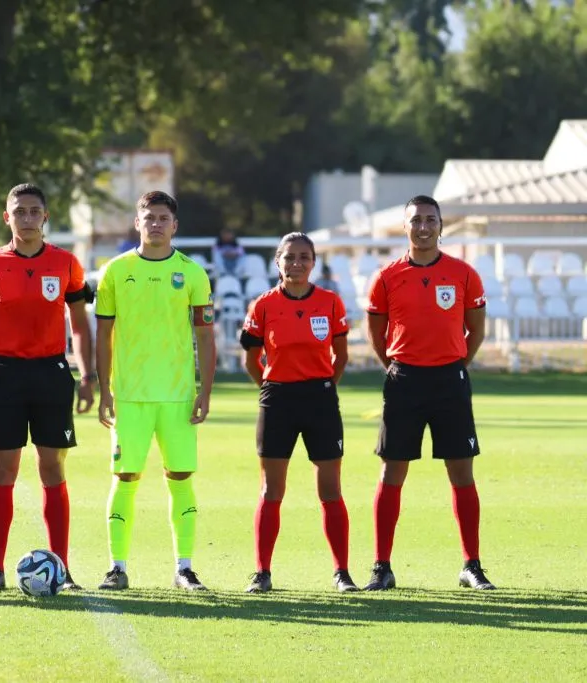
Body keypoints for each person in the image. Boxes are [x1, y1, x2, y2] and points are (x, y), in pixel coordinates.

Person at [0, 183, 96, 591]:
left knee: (52, 468)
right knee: (3, 469)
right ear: (7, 217)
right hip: (5, 374)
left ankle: (63, 568)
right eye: (19, 211)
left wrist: (87, 374)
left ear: (46, 217)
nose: (26, 217)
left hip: (51, 374)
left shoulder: (66, 263)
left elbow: (79, 324)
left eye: (34, 210)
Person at [364, 195, 494, 591]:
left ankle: (471, 565)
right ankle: (381, 567)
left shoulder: (463, 274)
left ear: (441, 225)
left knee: (461, 472)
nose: (423, 227)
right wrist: (399, 367)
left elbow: (476, 331)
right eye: (416, 220)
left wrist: (454, 364)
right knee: (392, 472)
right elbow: (377, 335)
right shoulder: (386, 277)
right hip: (404, 381)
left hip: (449, 381)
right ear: (405, 226)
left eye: (430, 220)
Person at [94, 190, 216, 591]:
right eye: (149, 218)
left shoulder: (193, 273)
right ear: (137, 223)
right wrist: (104, 389)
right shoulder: (115, 271)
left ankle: (184, 567)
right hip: (129, 394)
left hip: (178, 395)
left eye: (164, 218)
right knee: (125, 477)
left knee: (180, 476)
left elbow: (206, 336)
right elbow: (104, 334)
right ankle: (117, 567)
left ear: (175, 225)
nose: (156, 224)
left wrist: (205, 389)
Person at [239, 232, 357, 593]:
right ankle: (262, 572)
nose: (297, 263)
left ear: (314, 262)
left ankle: (342, 573)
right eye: (290, 257)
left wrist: (322, 387)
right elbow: (250, 359)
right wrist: (273, 388)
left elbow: (341, 355)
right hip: (277, 400)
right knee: (272, 489)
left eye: (304, 257)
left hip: (320, 398)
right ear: (278, 261)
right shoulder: (263, 306)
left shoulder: (330, 302)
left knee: (330, 490)